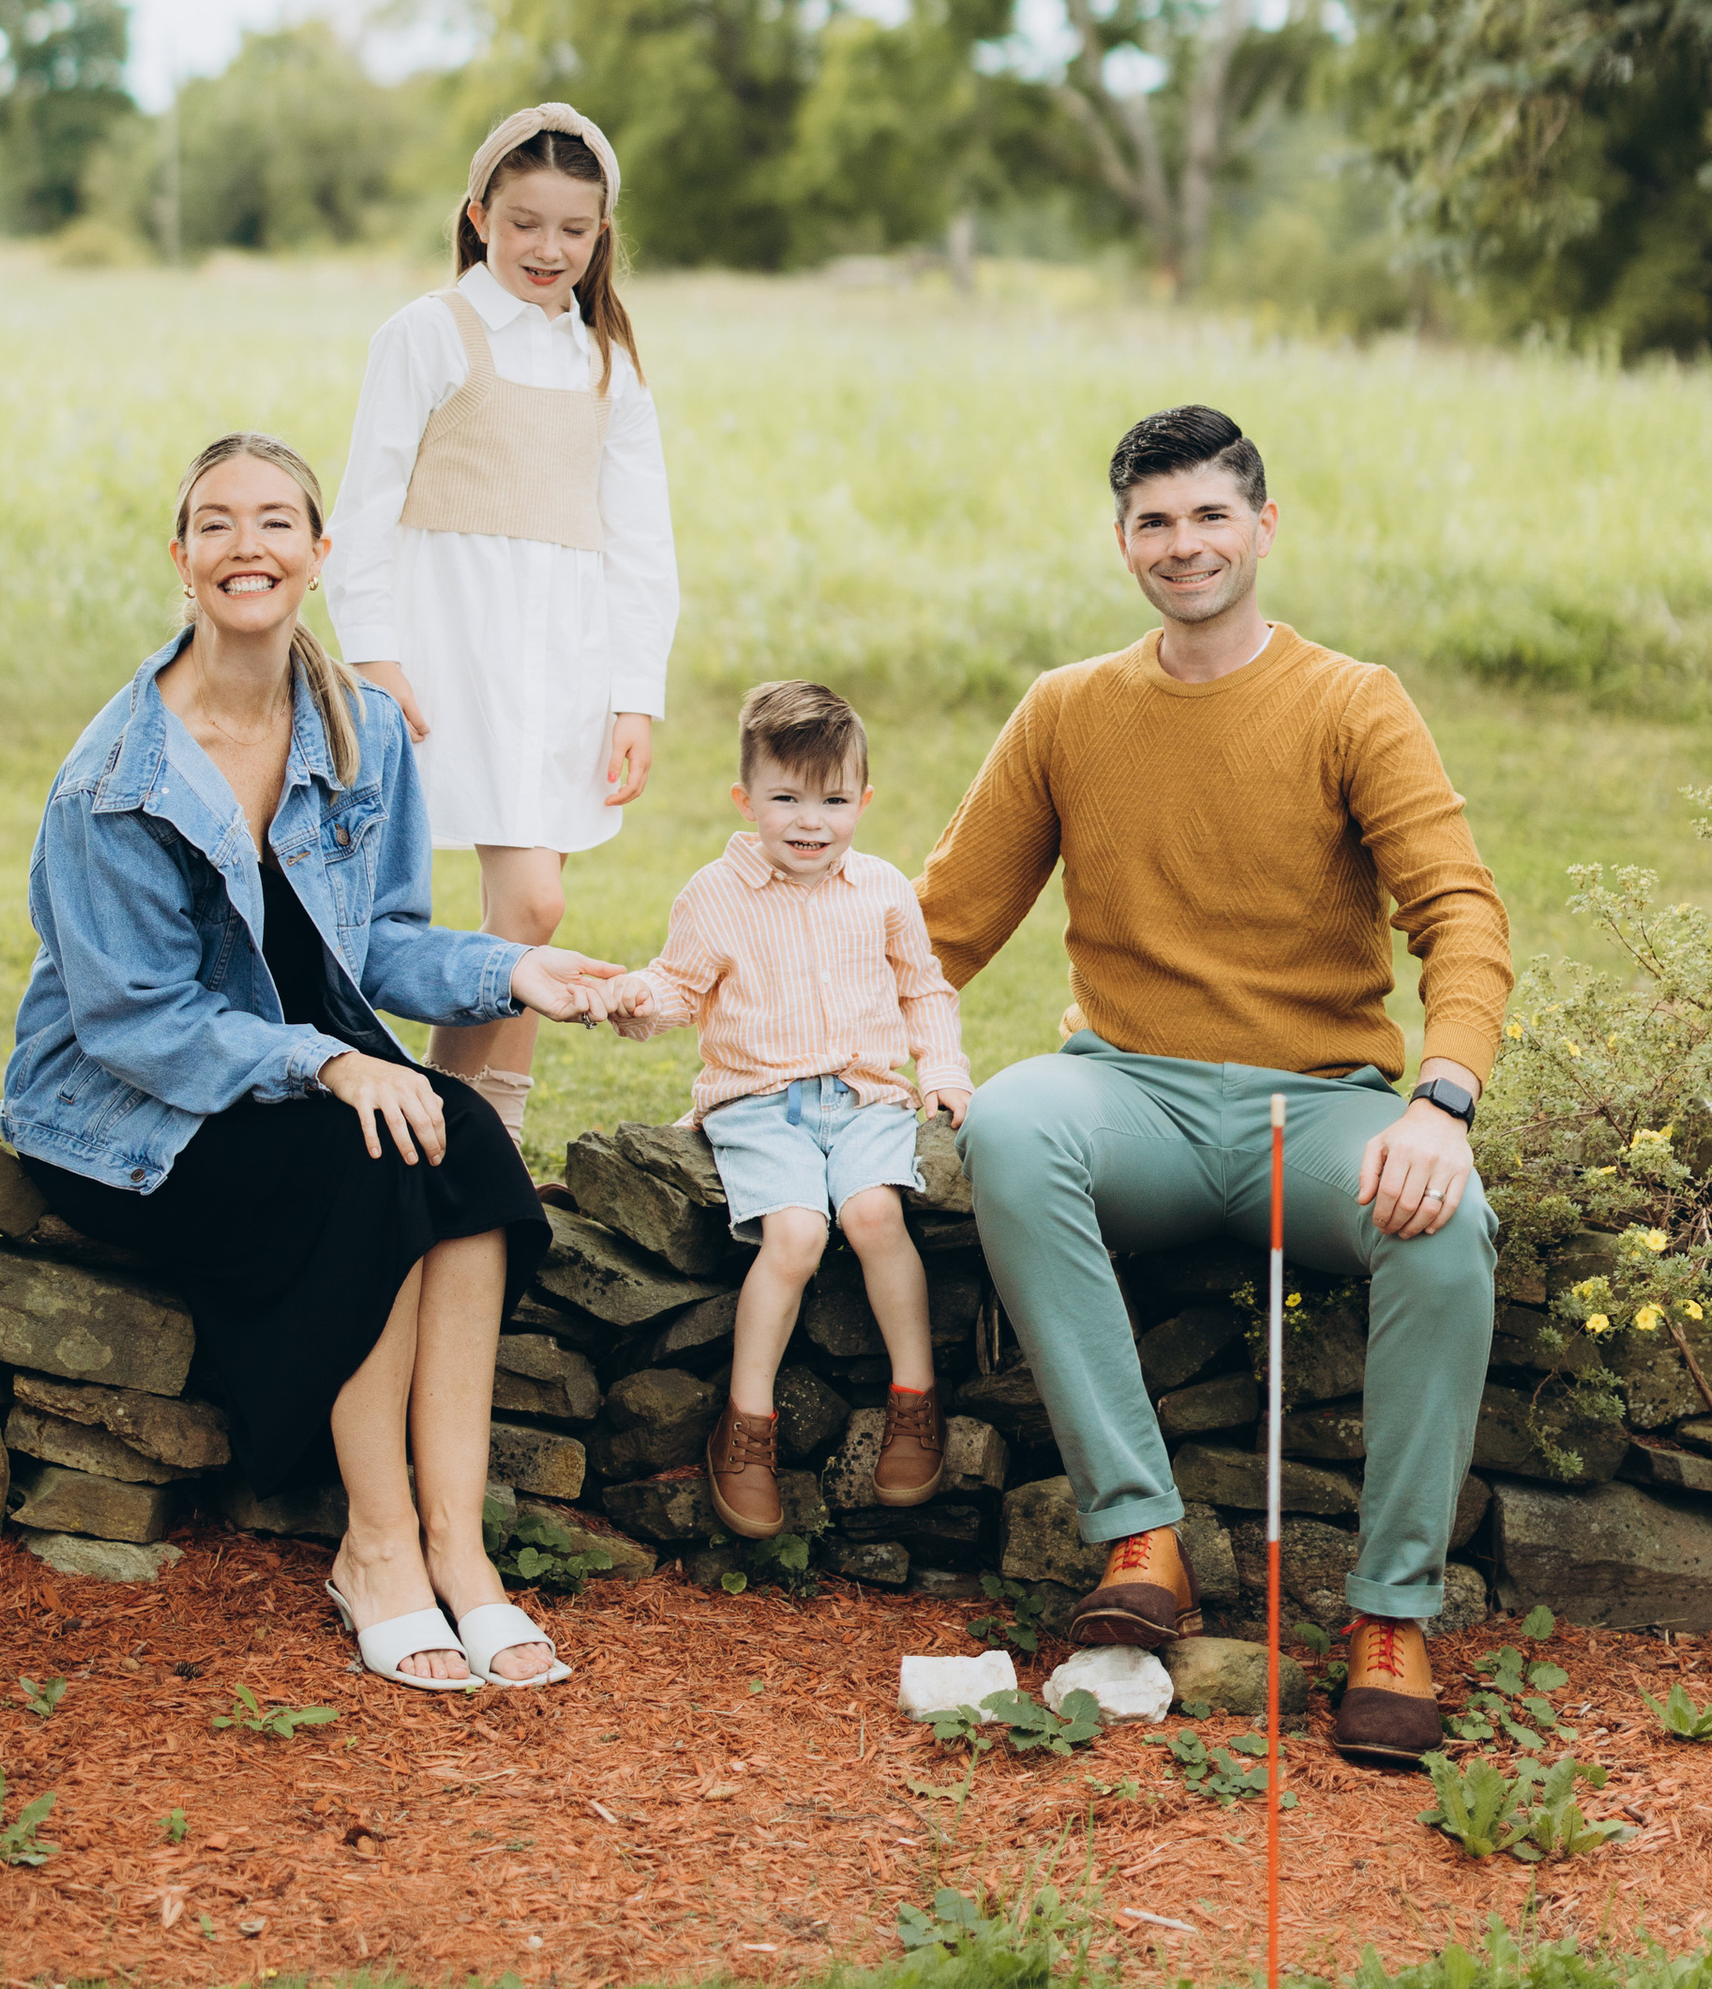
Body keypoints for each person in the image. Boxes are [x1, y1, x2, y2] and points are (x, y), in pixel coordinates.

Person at [916, 405, 1510, 1772]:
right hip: (1131, 1094)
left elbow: (1461, 916)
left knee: (1448, 1232)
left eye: (1209, 515)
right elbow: (939, 924)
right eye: (1155, 521)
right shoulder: (1068, 709)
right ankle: (1142, 1538)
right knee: (1009, 1123)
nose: (1183, 545)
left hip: (1326, 1106)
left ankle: (1392, 1621)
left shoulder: (1353, 700)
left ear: (1263, 525)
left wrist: (1444, 1097)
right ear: (1123, 540)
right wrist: (798, 1030)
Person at [0, 430, 622, 1695]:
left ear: (319, 556)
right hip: (123, 1117)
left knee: (463, 1138)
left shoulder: (363, 728)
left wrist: (513, 972)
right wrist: (330, 1067)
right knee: (368, 1160)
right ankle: (376, 1547)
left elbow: (380, 941)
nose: (249, 546)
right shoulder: (113, 780)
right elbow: (134, 1022)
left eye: (277, 522)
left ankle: (462, 1550)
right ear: (181, 561)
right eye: (218, 524)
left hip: (289, 1085)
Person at [326, 101, 677, 1155]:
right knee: (528, 902)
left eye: (574, 229)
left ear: (601, 234)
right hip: (449, 658)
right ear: (478, 217)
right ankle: (458, 1126)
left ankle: (469, 1138)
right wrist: (375, 659)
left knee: (523, 904)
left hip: (560, 669)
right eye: (525, 222)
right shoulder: (429, 333)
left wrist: (635, 694)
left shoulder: (603, 360)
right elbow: (365, 508)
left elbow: (640, 542)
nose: (548, 248)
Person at [601, 678, 971, 1539]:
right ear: (745, 799)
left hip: (864, 1094)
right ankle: (748, 1423)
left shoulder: (881, 890)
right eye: (786, 798)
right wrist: (632, 1001)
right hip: (759, 1101)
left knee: (878, 1215)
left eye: (834, 800)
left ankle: (914, 1399)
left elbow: (925, 988)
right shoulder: (714, 896)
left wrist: (944, 1069)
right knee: (797, 1234)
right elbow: (676, 986)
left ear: (864, 801)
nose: (811, 821)